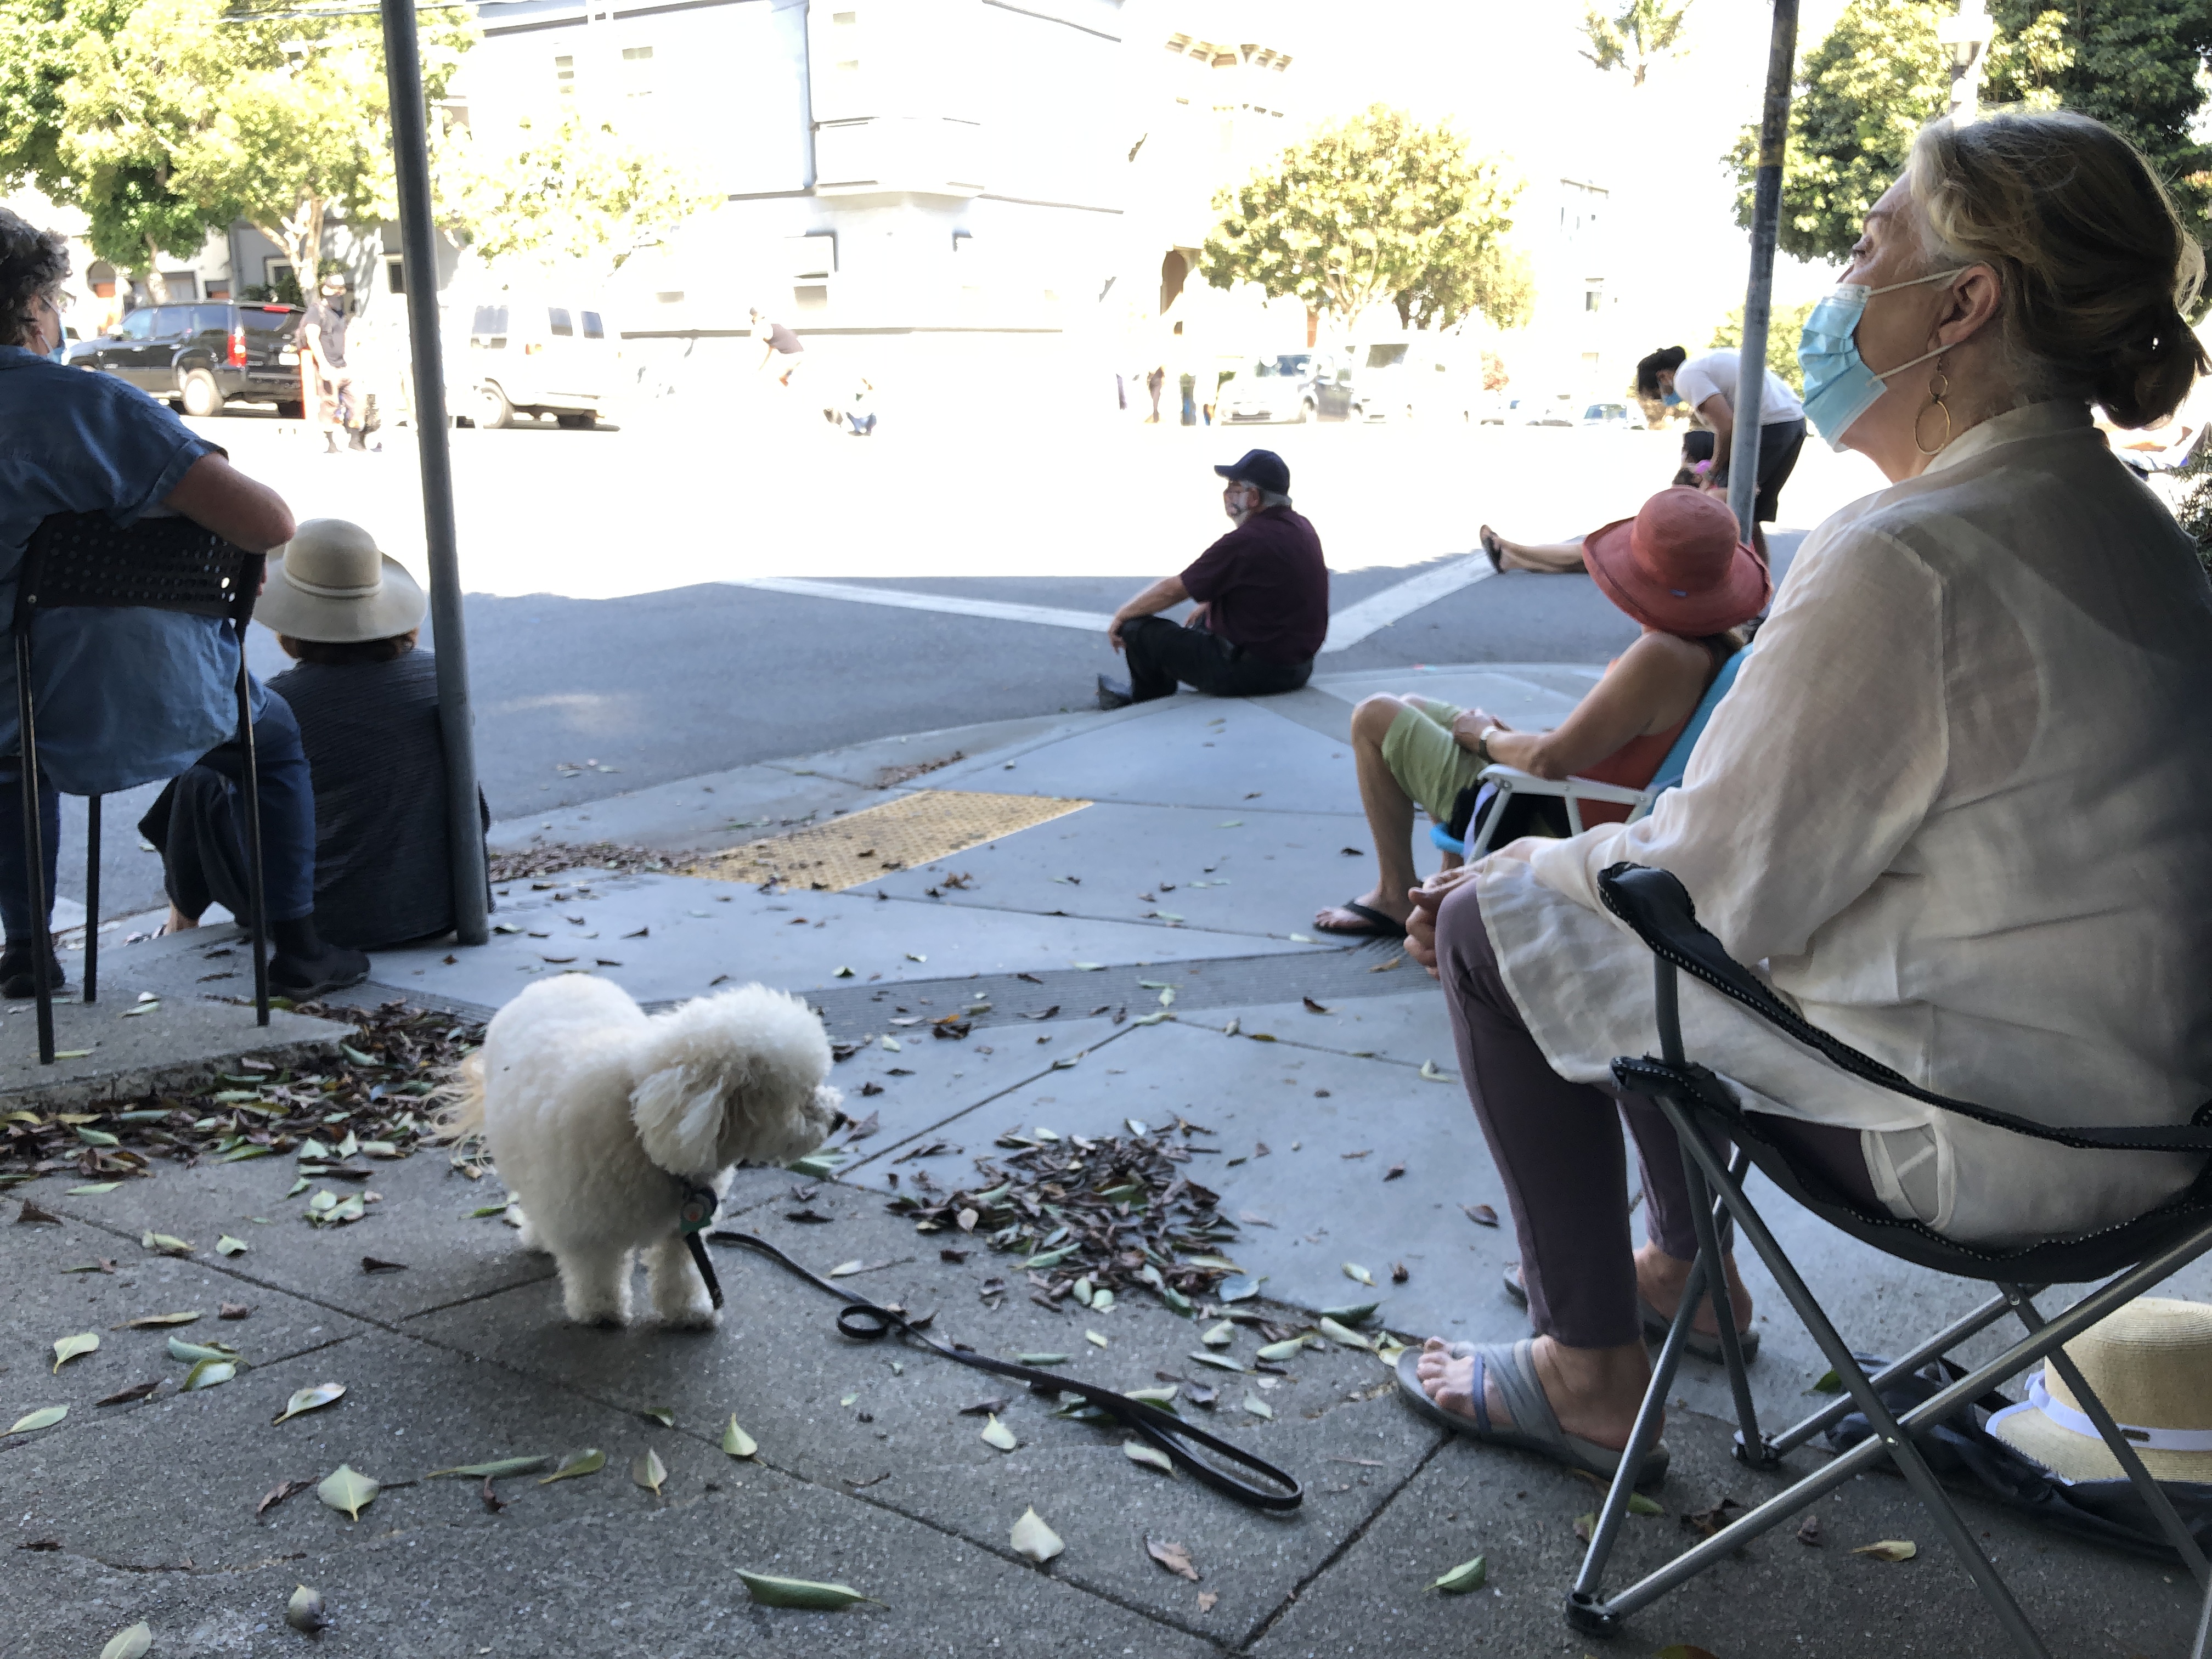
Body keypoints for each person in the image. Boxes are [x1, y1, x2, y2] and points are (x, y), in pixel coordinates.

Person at [1396, 110, 2212, 1488]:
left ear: (1963, 304)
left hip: (2001, 1138)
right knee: (1608, 923)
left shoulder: (1916, 552)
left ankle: (1588, 1375)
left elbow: (1712, 887)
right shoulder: (2130, 528)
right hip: (2146, 1121)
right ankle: (1684, 1275)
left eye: (1870, 246)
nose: (1843, 284)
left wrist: (1499, 884)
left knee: (1506, 929)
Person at [0, 208, 369, 999]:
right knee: (272, 744)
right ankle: (300, 949)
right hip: (146, 696)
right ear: (29, 305)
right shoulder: (87, 406)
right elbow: (268, 525)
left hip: (10, 711)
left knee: (15, 758)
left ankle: (29, 952)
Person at [1316, 487, 1764, 939]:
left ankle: (1395, 894)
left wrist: (1487, 739)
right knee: (1414, 708)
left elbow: (1548, 761)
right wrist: (1506, 739)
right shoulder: (1712, 648)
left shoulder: (1662, 654)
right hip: (1580, 793)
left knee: (1374, 715)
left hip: (1553, 816)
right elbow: (1608, 746)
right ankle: (1448, 882)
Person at [144, 520, 488, 951]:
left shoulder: (280, 703)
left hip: (329, 922)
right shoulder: (440, 675)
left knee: (201, 780)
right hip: (448, 904)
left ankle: (180, 922)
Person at [1098, 448, 1328, 709]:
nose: (1227, 494)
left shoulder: (1247, 540)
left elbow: (1173, 590)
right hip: (1297, 668)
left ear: (1253, 497)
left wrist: (1122, 615)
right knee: (1203, 619)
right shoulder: (1301, 527)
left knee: (1137, 630)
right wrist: (1211, 604)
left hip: (1253, 673)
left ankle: (1148, 700)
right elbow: (1274, 586)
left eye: (1234, 488)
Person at [1634, 343, 1807, 564]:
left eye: (1658, 395)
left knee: (1720, 508)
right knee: (1749, 515)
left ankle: (1719, 574)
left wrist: (1713, 470)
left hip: (1769, 429)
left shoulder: (1685, 377)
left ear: (1664, 376)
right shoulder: (1706, 361)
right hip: (1793, 424)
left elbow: (1726, 425)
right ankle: (1761, 578)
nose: (1664, 400)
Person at [1477, 431, 1719, 574]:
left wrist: (1696, 477)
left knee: (1584, 552)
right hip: (1656, 545)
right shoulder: (1707, 484)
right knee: (1586, 565)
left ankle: (1508, 546)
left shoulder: (1702, 481)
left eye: (1686, 451)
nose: (1682, 456)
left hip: (1654, 548)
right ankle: (1511, 561)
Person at [300, 274, 361, 454]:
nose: (338, 293)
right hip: (328, 367)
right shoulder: (316, 312)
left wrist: (351, 361)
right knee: (330, 404)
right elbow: (312, 337)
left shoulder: (340, 312)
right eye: (334, 289)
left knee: (358, 401)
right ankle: (331, 444)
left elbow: (346, 336)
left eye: (340, 289)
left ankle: (355, 441)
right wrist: (324, 365)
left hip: (344, 366)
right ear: (325, 290)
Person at [753, 308, 803, 387]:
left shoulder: (773, 329)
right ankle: (782, 377)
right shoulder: (771, 330)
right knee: (795, 361)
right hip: (789, 351)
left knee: (795, 361)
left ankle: (783, 377)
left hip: (790, 351)